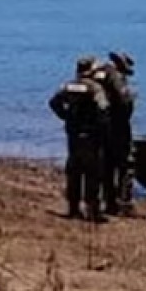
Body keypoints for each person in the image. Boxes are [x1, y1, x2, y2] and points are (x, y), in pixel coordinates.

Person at [48, 56, 111, 222]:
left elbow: (54, 102)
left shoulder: (68, 86)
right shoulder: (95, 88)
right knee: (92, 173)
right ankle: (92, 210)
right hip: (91, 136)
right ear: (91, 70)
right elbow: (103, 108)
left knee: (74, 171)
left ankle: (73, 209)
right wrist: (102, 129)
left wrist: (67, 117)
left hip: (73, 135)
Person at [93, 51, 138, 216]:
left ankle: (109, 201)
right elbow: (124, 101)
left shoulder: (98, 75)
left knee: (106, 165)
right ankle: (124, 203)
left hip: (100, 127)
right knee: (126, 165)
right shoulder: (116, 78)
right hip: (118, 127)